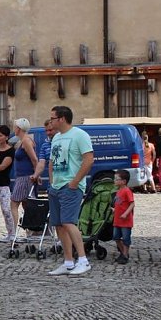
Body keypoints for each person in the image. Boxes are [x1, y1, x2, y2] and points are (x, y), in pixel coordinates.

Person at [47, 105, 94, 276]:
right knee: (59, 224)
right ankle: (68, 262)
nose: (50, 121)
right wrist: (52, 182)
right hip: (56, 187)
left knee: (68, 222)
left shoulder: (80, 135)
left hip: (70, 187)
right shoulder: (57, 137)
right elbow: (52, 161)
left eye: (52, 118)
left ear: (62, 118)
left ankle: (83, 260)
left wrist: (75, 182)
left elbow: (89, 159)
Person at [10, 118, 39, 231]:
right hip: (24, 176)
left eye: (15, 127)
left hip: (25, 177)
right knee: (26, 204)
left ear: (18, 128)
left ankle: (14, 231)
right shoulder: (23, 141)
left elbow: (34, 159)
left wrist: (36, 175)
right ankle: (30, 230)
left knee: (14, 203)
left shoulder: (26, 141)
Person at [112, 169, 134, 265]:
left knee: (125, 238)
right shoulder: (118, 191)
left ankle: (125, 255)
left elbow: (132, 204)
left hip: (125, 221)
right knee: (116, 237)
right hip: (117, 220)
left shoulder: (127, 191)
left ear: (124, 181)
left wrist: (125, 213)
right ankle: (123, 253)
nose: (115, 181)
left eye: (117, 179)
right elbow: (119, 204)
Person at [30, 119, 57, 185]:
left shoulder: (64, 142)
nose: (48, 133)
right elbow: (41, 163)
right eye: (46, 131)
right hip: (52, 184)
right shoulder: (45, 145)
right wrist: (35, 175)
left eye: (50, 130)